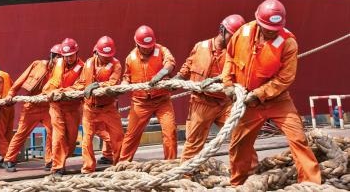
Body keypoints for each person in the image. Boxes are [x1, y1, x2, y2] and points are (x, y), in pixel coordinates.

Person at [223, 0, 320, 185]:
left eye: (274, 29)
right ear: (258, 21)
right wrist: (228, 83)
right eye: (267, 28)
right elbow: (230, 55)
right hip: (248, 102)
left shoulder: (288, 43)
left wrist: (259, 93)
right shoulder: (243, 33)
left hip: (277, 101)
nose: (270, 32)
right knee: (238, 145)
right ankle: (238, 184)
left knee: (298, 139)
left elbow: (285, 79)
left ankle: (311, 184)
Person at [178, 15, 246, 161]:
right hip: (201, 103)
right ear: (222, 31)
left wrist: (218, 79)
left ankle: (245, 173)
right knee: (194, 143)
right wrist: (176, 79)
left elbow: (240, 74)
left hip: (225, 103)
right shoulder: (200, 46)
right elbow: (188, 66)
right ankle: (186, 175)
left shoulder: (236, 53)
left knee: (240, 134)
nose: (235, 41)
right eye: (232, 36)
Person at [119, 25, 177, 161]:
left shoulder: (162, 50)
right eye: (145, 46)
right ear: (137, 44)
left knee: (170, 131)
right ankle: (122, 164)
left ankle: (171, 164)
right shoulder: (130, 58)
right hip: (140, 102)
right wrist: (124, 85)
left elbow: (170, 62)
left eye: (151, 45)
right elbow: (127, 76)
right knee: (131, 135)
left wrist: (162, 73)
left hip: (162, 100)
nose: (149, 48)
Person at [3, 44, 62, 172]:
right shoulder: (37, 64)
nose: (59, 60)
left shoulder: (62, 71)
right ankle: (9, 159)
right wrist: (11, 93)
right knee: (21, 133)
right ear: (52, 56)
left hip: (48, 106)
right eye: (57, 56)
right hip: (31, 106)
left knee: (52, 133)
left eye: (61, 57)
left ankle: (50, 160)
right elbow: (21, 79)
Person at [70, 36, 124, 173]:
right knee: (86, 140)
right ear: (97, 52)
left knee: (117, 137)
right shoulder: (88, 63)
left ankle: (120, 166)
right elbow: (82, 82)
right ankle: (88, 168)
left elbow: (113, 83)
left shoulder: (116, 65)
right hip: (90, 108)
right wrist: (67, 90)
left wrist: (97, 85)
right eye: (104, 55)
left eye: (109, 56)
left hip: (108, 108)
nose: (107, 58)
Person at [43, 38, 84, 176]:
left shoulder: (83, 67)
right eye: (66, 56)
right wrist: (51, 92)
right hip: (56, 105)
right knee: (58, 135)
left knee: (71, 140)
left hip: (72, 107)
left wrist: (61, 91)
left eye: (71, 55)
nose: (68, 59)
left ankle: (60, 159)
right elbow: (54, 81)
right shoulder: (58, 64)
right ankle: (57, 166)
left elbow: (80, 86)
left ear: (76, 53)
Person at [0, 69, 14, 166]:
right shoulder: (7, 74)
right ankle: (8, 156)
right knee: (8, 133)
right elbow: (13, 87)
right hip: (10, 106)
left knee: (0, 134)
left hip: (1, 107)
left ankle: (7, 158)